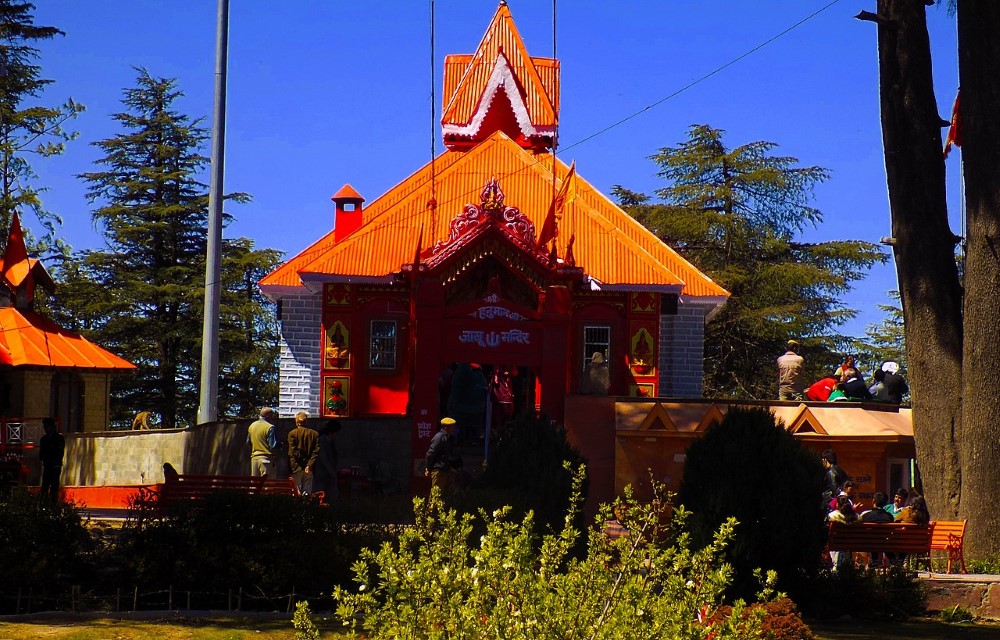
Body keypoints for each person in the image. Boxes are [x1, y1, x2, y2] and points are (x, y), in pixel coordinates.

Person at [287, 411, 320, 494]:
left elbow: (293, 451)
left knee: (296, 492)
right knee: (307, 492)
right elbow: (316, 451)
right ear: (306, 421)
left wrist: (302, 463)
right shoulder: (314, 434)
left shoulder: (292, 434)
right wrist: (309, 464)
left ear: (297, 422)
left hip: (296, 466)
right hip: (309, 468)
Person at [424, 417, 457, 493]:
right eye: (452, 427)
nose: (453, 429)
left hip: (445, 469)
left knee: (443, 494)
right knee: (436, 495)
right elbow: (430, 454)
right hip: (439, 470)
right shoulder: (439, 437)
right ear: (446, 427)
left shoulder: (448, 438)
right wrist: (428, 468)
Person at [313, 420, 341, 502]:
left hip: (326, 473)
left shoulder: (329, 442)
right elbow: (324, 458)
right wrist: (332, 472)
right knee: (321, 494)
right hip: (323, 473)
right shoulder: (322, 442)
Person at [38, 417, 64, 504]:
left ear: (52, 426)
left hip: (55, 466)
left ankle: (53, 505)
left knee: (54, 487)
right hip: (47, 466)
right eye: (44, 427)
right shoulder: (44, 439)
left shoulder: (59, 438)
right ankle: (43, 505)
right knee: (45, 486)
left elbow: (59, 452)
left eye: (47, 426)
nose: (45, 429)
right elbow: (41, 453)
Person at [247, 407, 279, 478]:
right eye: (272, 416)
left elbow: (248, 442)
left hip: (254, 459)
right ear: (268, 416)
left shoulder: (252, 426)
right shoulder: (270, 427)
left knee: (255, 486)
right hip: (266, 459)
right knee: (268, 485)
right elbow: (273, 445)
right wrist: (281, 445)